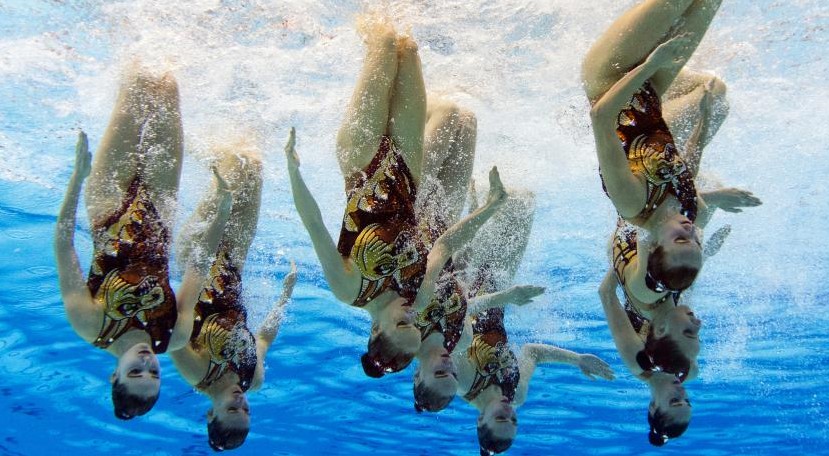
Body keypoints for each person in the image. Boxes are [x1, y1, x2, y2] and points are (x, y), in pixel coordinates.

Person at [285, 17, 507, 377]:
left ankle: (324, 25)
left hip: (362, 162)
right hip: (408, 168)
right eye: (415, 327)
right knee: (408, 47)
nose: (412, 318)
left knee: (384, 41)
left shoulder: (349, 289)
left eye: (402, 325)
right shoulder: (414, 293)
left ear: (376, 329)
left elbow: (314, 225)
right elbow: (446, 247)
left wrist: (294, 171)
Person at [55, 69, 225, 419]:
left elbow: (63, 245)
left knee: (136, 83)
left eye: (135, 372)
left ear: (114, 374)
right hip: (160, 210)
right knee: (167, 86)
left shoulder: (89, 324)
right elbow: (198, 265)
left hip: (108, 202)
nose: (147, 364)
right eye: (154, 374)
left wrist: (77, 178)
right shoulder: (173, 336)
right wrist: (220, 212)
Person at [582, 0, 760, 296]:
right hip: (653, 91)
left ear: (652, 245)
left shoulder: (632, 202)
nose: (691, 233)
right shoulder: (691, 210)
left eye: (681, 241)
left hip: (609, 79)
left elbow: (600, 116)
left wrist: (652, 63)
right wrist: (704, 117)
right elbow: (687, 165)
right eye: (696, 244)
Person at [451, 190, 614, 455]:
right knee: (523, 203)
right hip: (501, 289)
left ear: (480, 420)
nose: (509, 413)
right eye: (513, 420)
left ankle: (477, 188)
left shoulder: (462, 382)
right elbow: (532, 353)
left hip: (468, 284)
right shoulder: (517, 395)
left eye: (501, 419)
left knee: (482, 210)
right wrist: (578, 359)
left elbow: (450, 328)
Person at [412, 103, 544, 412]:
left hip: (421, 235)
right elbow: (459, 296)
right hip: (447, 246)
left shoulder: (404, 335)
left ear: (418, 374)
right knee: (463, 119)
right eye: (452, 373)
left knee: (448, 123)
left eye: (440, 373)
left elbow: (447, 290)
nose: (450, 366)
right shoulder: (456, 342)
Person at [170, 143, 297, 451]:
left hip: (196, 255)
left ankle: (204, 138)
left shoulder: (196, 371)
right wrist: (285, 296)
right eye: (246, 411)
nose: (241, 403)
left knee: (231, 170)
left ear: (211, 412)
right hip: (232, 262)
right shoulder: (252, 379)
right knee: (253, 165)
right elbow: (263, 339)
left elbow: (170, 326)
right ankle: (224, 140)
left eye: (232, 410)